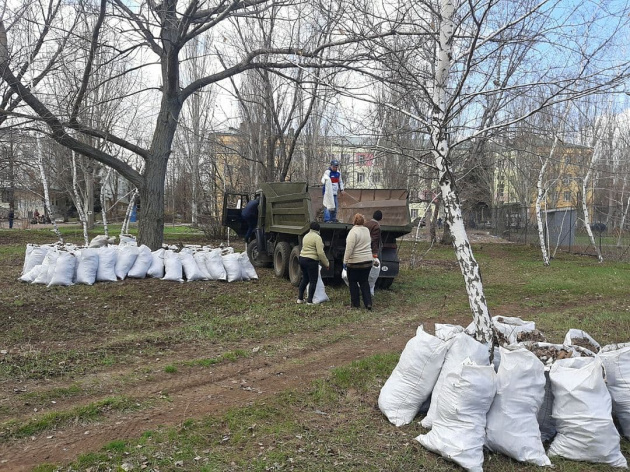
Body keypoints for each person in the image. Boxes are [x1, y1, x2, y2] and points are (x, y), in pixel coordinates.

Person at [343, 213, 374, 310]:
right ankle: (368, 303)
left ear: (354, 221)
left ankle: (355, 304)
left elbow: (349, 248)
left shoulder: (353, 232)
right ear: (363, 221)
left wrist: (345, 261)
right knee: (364, 282)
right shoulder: (366, 231)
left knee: (353, 282)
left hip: (355, 262)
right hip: (368, 261)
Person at [297, 221, 330, 305]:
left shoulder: (306, 236)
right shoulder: (317, 237)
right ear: (318, 229)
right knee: (313, 281)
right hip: (311, 261)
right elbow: (320, 253)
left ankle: (300, 298)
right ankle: (310, 301)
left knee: (305, 279)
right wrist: (326, 263)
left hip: (302, 259)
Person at [364, 210, 382, 295]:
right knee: (374, 269)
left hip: (364, 250)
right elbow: (374, 240)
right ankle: (371, 288)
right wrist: (375, 253)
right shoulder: (376, 226)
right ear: (380, 218)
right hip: (371, 251)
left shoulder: (366, 224)